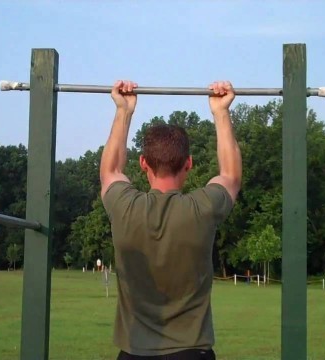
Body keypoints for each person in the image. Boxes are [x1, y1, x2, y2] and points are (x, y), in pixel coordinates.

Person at [100, 80, 242, 360]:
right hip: (192, 353)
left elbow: (111, 170)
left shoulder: (124, 206)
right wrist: (221, 112)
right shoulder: (202, 208)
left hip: (134, 353)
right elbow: (231, 175)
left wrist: (124, 111)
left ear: (143, 163)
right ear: (188, 163)